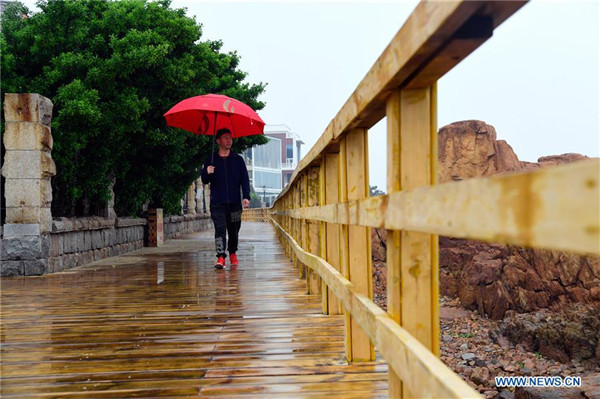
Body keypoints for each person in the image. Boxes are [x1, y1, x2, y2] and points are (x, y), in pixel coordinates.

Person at [201, 128, 250, 269]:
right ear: (218, 141)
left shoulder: (238, 160)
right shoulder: (211, 160)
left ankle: (233, 253)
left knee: (234, 230)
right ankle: (221, 257)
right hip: (217, 203)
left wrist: (246, 196)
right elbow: (204, 180)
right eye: (226, 138)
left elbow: (245, 180)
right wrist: (207, 172)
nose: (229, 140)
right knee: (220, 229)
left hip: (234, 203)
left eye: (230, 138)